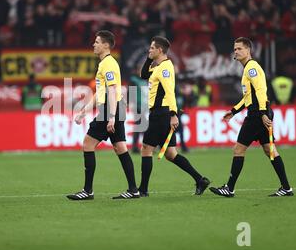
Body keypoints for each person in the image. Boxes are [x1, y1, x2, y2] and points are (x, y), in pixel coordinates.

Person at [210, 37, 293, 197]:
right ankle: (286, 187)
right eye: (235, 49)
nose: (236, 51)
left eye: (240, 48)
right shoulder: (248, 68)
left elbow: (261, 91)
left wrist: (262, 113)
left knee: (238, 149)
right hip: (260, 111)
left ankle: (229, 188)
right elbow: (249, 97)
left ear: (248, 50)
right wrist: (234, 111)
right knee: (270, 150)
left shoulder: (252, 68)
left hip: (256, 114)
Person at [67, 30, 139, 200]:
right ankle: (133, 189)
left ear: (106, 45)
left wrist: (112, 116)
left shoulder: (108, 64)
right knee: (120, 148)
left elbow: (113, 90)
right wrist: (84, 112)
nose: (94, 44)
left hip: (110, 109)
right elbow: (101, 92)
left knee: (88, 144)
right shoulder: (105, 64)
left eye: (97, 42)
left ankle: (87, 191)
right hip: (114, 108)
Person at [138, 36, 210, 197]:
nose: (149, 50)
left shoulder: (164, 68)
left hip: (161, 113)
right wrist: (148, 59)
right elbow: (143, 75)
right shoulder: (159, 67)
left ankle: (142, 190)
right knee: (171, 154)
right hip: (162, 113)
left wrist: (173, 114)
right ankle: (200, 180)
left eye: (151, 48)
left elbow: (169, 91)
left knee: (146, 149)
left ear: (160, 50)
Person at [129, 63, 148, 154]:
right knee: (141, 126)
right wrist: (131, 103)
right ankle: (142, 146)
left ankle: (138, 146)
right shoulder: (134, 80)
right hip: (138, 106)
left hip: (144, 106)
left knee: (141, 126)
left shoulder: (144, 80)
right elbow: (131, 91)